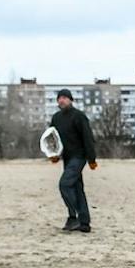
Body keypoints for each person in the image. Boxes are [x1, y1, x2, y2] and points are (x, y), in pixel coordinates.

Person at [47, 90, 99, 233]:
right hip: (67, 158)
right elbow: (52, 139)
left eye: (64, 98)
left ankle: (74, 217)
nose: (61, 101)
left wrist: (91, 159)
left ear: (70, 100)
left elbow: (88, 137)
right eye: (59, 98)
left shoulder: (79, 116)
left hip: (79, 156)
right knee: (76, 188)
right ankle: (84, 223)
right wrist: (53, 155)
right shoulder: (56, 118)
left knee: (64, 184)